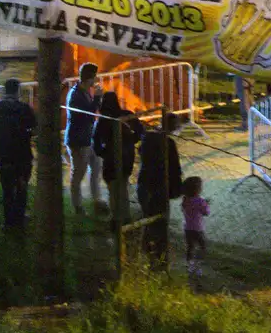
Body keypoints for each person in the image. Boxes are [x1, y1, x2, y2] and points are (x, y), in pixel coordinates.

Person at [0, 79, 36, 231]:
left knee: (7, 189)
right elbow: (34, 127)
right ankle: (19, 220)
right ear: (18, 91)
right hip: (23, 155)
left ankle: (8, 222)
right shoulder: (24, 108)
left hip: (5, 154)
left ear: (5, 90)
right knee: (21, 188)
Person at [136, 109, 184, 262]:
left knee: (147, 216)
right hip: (159, 186)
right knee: (160, 220)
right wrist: (177, 189)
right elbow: (174, 169)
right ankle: (160, 255)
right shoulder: (168, 143)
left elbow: (141, 152)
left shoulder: (148, 137)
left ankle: (145, 249)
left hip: (144, 183)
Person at [94, 92, 141, 227]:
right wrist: (131, 141)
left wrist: (101, 152)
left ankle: (116, 218)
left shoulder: (103, 120)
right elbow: (140, 131)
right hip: (127, 155)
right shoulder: (127, 115)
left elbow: (95, 140)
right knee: (123, 186)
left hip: (111, 156)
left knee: (113, 188)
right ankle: (125, 216)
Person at [64, 64, 102, 215]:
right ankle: (77, 206)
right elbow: (88, 114)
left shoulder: (84, 91)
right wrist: (98, 97)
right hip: (78, 140)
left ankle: (97, 200)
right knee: (78, 173)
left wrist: (97, 98)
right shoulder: (76, 95)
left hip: (88, 138)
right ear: (90, 77)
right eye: (95, 76)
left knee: (96, 167)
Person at [180, 175, 209, 275]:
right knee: (202, 247)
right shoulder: (200, 201)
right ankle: (198, 265)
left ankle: (190, 265)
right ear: (197, 189)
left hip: (187, 228)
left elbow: (184, 209)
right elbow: (206, 212)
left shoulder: (185, 200)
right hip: (198, 229)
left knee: (190, 247)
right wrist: (206, 204)